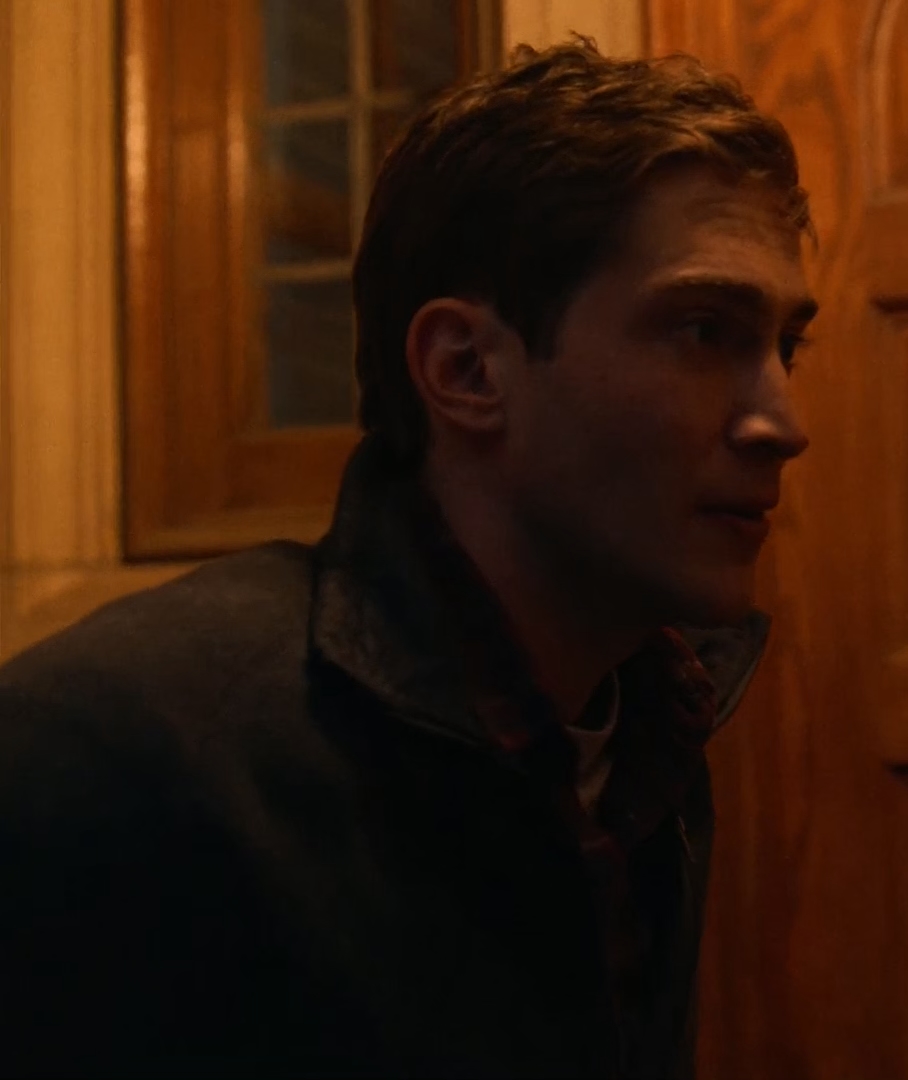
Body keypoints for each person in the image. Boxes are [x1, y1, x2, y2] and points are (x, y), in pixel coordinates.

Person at [0, 37, 812, 1078]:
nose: (784, 422)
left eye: (787, 346)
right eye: (704, 331)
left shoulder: (646, 729)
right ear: (466, 368)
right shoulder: (122, 752)